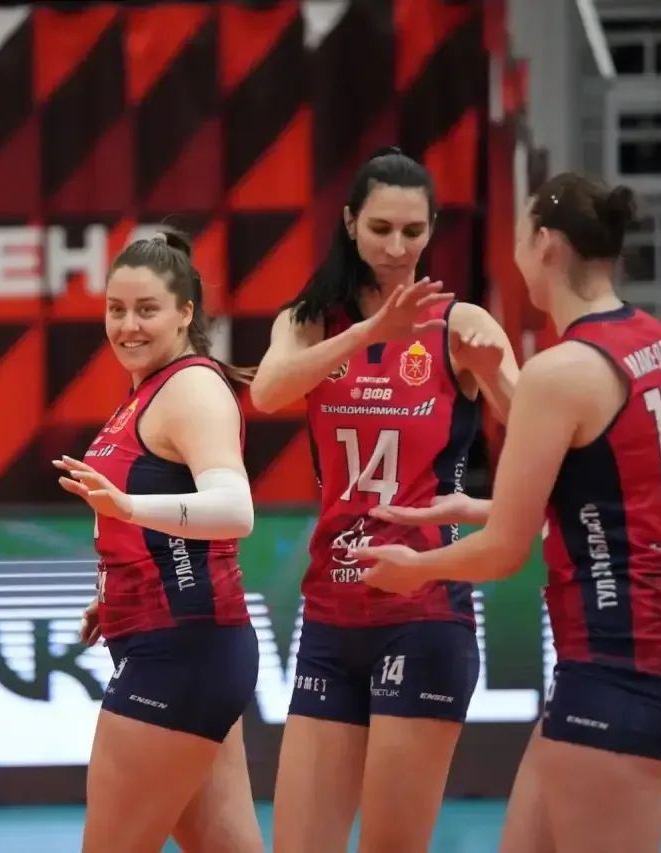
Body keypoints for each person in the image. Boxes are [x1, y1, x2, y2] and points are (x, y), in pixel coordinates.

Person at [353, 173, 661, 853]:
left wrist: (417, 568)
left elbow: (503, 552)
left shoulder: (560, 371)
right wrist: (479, 503)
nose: (514, 251)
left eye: (519, 234)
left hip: (622, 666)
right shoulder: (650, 338)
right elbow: (614, 502)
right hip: (635, 655)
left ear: (545, 243)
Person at [250, 146, 520, 853]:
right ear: (349, 223)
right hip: (330, 617)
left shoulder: (461, 325)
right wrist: (371, 332)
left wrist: (498, 379)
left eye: (412, 231)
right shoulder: (311, 318)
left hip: (423, 615)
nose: (397, 247)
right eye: (380, 229)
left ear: (431, 231)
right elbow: (268, 391)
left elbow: (544, 449)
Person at [53, 231, 264, 853]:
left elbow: (235, 510)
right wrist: (117, 588)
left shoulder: (192, 387)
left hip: (181, 652)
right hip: (180, 643)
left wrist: (128, 507)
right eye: (116, 309)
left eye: (147, 309)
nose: (128, 326)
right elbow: (163, 524)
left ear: (185, 312)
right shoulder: (150, 389)